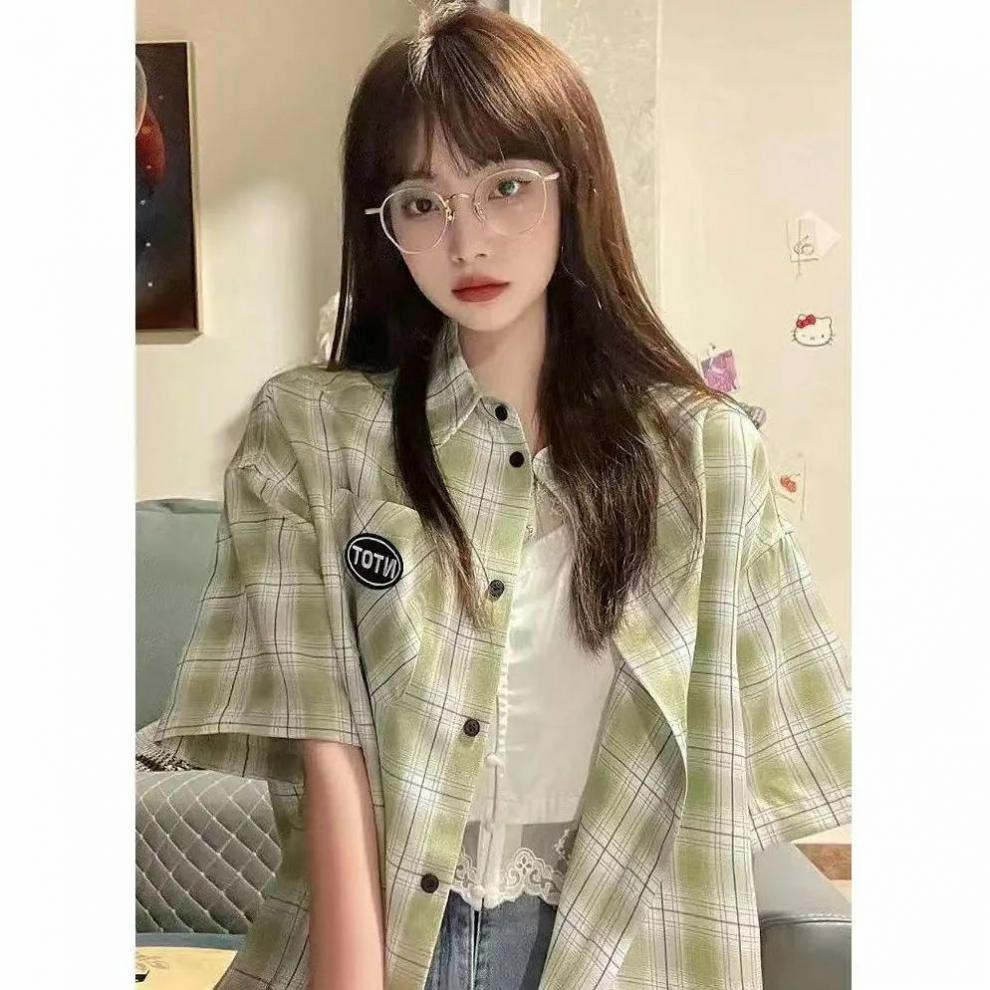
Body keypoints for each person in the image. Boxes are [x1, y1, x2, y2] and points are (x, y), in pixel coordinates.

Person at [154, 3, 852, 989]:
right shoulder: (315, 433)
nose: (467, 240)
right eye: (421, 202)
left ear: (577, 188)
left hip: (620, 948)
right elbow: (331, 752)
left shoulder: (702, 456)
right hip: (397, 939)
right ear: (383, 224)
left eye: (506, 186)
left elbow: (726, 769)